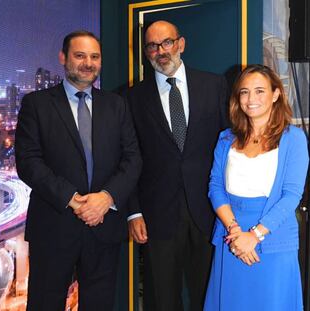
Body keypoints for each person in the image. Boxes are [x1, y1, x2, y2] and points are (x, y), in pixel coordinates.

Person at [15, 30, 141, 311]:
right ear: (63, 58)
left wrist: (106, 198)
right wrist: (74, 200)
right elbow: (28, 162)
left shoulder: (116, 105)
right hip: (53, 225)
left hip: (104, 226)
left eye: (94, 57)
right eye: (80, 55)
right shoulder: (37, 104)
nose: (88, 63)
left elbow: (132, 159)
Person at [126, 20, 228, 311]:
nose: (161, 51)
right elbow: (130, 158)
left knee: (207, 295)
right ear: (145, 52)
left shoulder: (214, 85)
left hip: (210, 211)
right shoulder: (132, 99)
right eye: (152, 46)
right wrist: (133, 211)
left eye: (167, 42)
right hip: (157, 217)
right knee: (162, 299)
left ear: (180, 44)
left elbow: (228, 148)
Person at [204, 64, 309, 310]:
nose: (251, 99)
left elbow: (291, 195)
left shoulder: (293, 138)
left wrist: (255, 236)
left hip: (273, 238)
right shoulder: (226, 138)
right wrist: (235, 232)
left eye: (260, 91)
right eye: (244, 92)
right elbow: (215, 187)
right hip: (231, 237)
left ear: (275, 94)